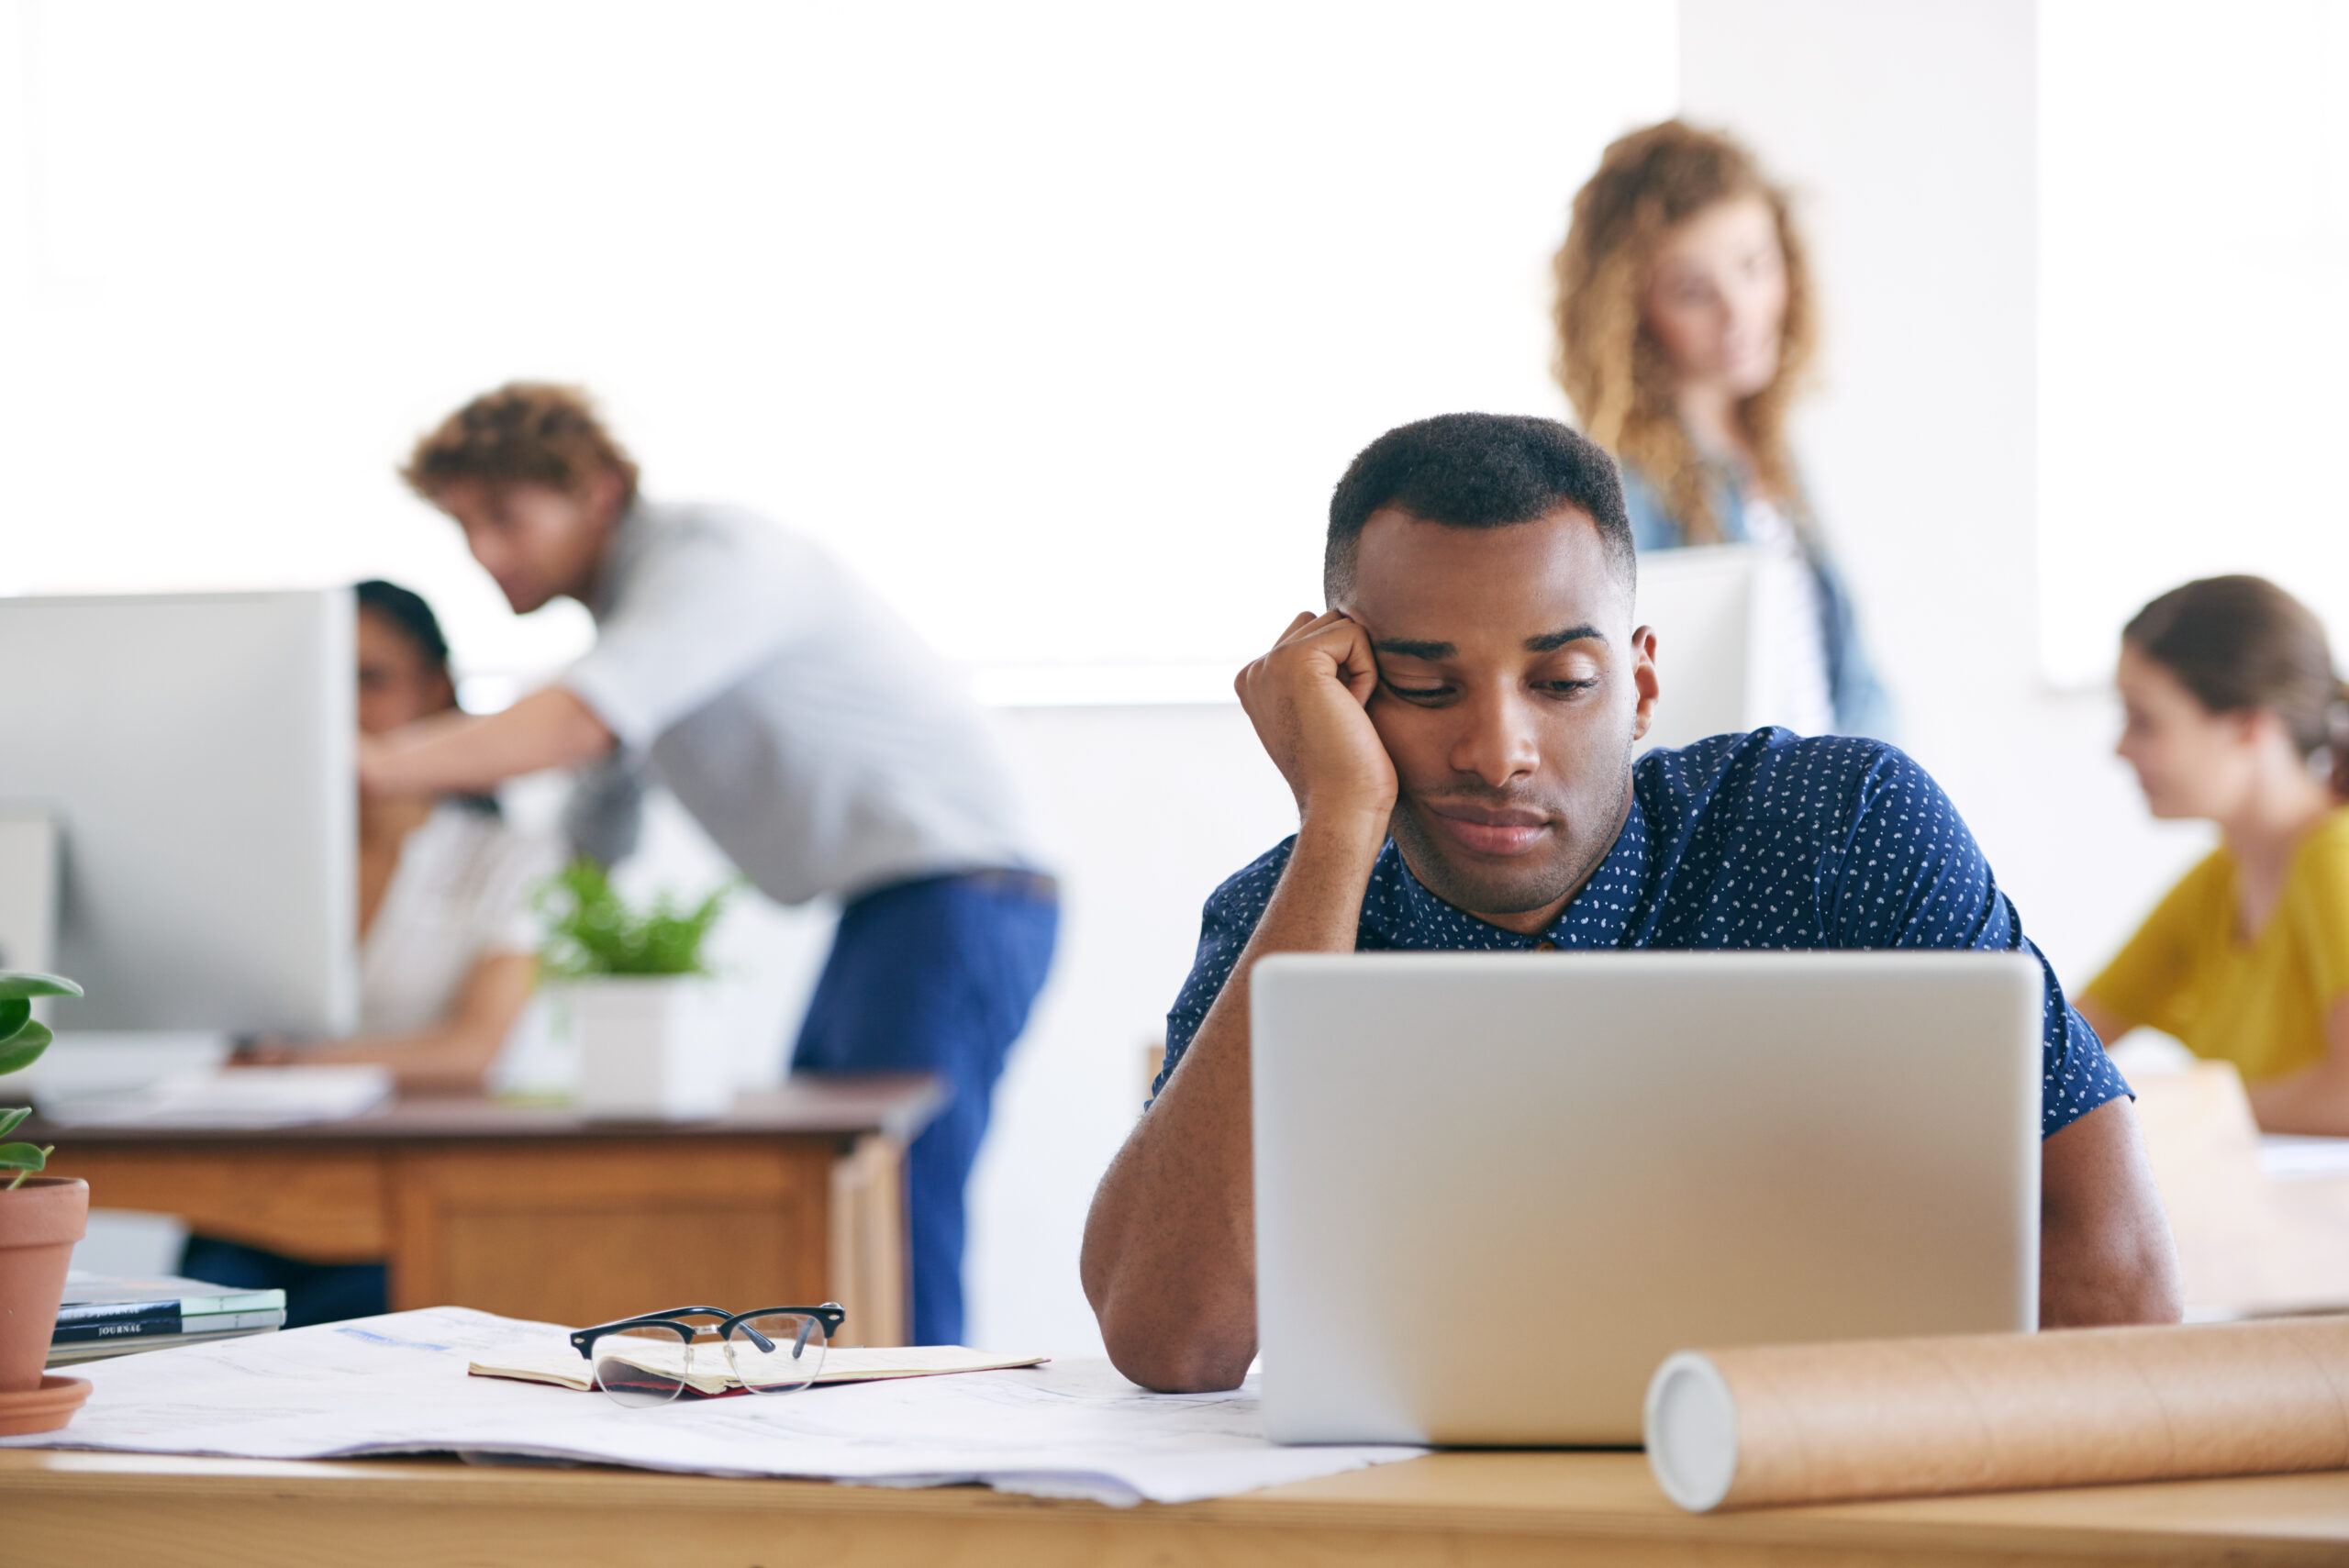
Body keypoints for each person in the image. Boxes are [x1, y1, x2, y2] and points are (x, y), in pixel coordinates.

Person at [1079, 412, 2181, 1394]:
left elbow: (2115, 1280)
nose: (1496, 752)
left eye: (1560, 683)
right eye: (1423, 685)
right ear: (1344, 687)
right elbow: (1173, 1341)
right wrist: (1336, 823)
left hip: (1829, 1499)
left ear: (1643, 685)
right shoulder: (1287, 912)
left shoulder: (1844, 826)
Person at [360, 383, 1057, 1347]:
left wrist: (375, 764)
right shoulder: (640, 621)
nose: (483, 552)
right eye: (462, 525)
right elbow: (593, 833)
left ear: (597, 491)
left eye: (504, 516)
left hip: (961, 894)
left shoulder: (713, 562)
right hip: (894, 908)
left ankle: (924, 1457)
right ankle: (858, 1443)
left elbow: (580, 719)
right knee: (830, 1201)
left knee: (891, 1210)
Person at [195, 579, 553, 1325]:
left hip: (416, 1197)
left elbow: (472, 1050)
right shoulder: (258, 858)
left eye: (371, 678)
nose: (343, 705)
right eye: (325, 679)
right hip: (255, 1195)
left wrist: (294, 1066)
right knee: (185, 1356)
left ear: (435, 691)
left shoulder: (509, 859)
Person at [1553, 119, 1890, 739]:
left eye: (1755, 265)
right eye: (1691, 290)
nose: (1739, 310)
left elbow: (1853, 680)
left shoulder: (1774, 452)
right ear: (1629, 311)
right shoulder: (1622, 488)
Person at [2075, 577, 2349, 1135]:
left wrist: (2174, 1111)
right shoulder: (2220, 879)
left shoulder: (2333, 860)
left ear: (2249, 726)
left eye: (2144, 719)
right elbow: (2062, 1042)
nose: (2120, 747)